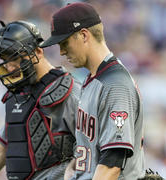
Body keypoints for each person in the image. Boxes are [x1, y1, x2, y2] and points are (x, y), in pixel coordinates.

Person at [0, 20, 80, 180]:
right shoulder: (18, 95)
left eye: (13, 57)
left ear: (38, 52)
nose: (9, 67)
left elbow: (95, 151)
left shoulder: (70, 91)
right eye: (3, 59)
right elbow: (0, 150)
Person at [41, 2, 145, 180]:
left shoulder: (115, 84)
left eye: (64, 42)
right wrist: (75, 166)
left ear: (83, 35)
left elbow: (112, 165)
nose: (62, 51)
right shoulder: (92, 79)